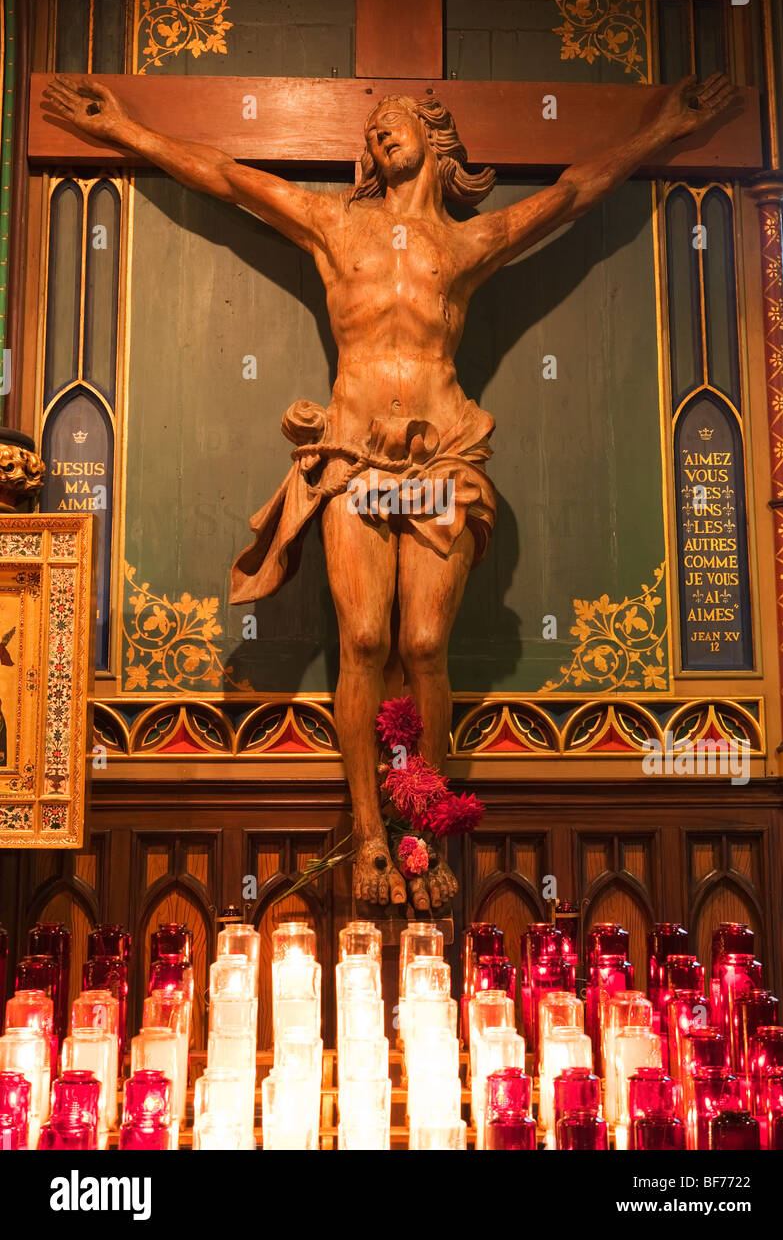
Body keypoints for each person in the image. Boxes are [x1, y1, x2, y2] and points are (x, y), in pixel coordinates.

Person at [43, 71, 736, 910]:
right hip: (357, 460)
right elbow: (230, 178)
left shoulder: (465, 244)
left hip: (442, 459)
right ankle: (370, 836)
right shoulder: (337, 226)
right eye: (370, 129)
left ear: (435, 143)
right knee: (364, 637)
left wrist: (660, 133)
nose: (379, 133)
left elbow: (568, 196)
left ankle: (423, 835)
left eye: (394, 121)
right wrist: (127, 132)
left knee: (425, 646)